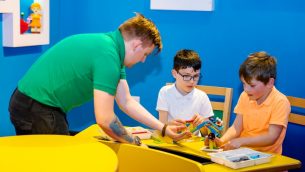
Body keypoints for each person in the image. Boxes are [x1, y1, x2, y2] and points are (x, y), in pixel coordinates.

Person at [9, 13, 191, 146]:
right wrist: (134, 142)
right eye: (145, 54)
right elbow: (105, 119)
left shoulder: (110, 49)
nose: (143, 60)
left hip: (30, 102)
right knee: (56, 162)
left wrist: (164, 128)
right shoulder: (108, 56)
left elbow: (126, 101)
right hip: (37, 107)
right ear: (136, 45)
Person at [208, 51, 290, 154]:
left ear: (270, 82)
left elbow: (271, 137)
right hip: (242, 153)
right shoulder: (245, 96)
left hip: (267, 159)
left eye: (252, 85)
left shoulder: (280, 102)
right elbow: (236, 127)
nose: (246, 89)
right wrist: (221, 141)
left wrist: (241, 141)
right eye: (243, 83)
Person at [156, 49, 214, 135]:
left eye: (196, 76)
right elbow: (161, 126)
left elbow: (207, 134)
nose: (191, 81)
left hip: (193, 142)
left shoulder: (202, 97)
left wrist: (202, 124)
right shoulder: (165, 92)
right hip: (171, 140)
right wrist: (169, 125)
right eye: (186, 76)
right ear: (174, 73)